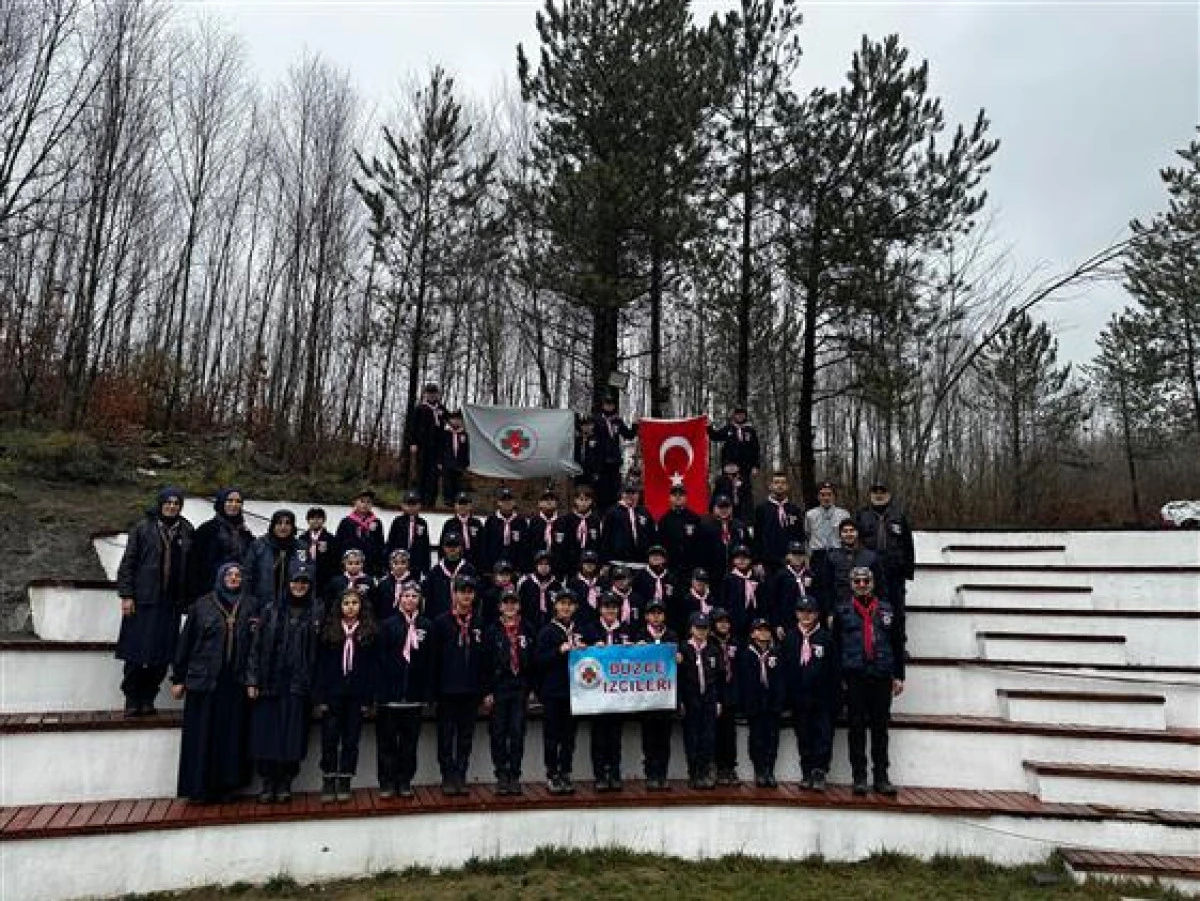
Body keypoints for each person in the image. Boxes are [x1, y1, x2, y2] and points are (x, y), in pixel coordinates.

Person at [171, 562, 254, 803]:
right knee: (202, 733)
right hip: (205, 679)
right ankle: (199, 788)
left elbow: (255, 645)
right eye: (229, 574)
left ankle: (226, 787)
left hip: (235, 680)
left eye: (238, 575)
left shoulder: (250, 605)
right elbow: (186, 642)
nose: (234, 578)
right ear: (221, 577)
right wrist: (178, 678)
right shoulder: (203, 604)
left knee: (229, 735)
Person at [245, 569, 322, 804]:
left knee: (292, 736)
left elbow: (319, 653)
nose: (299, 586)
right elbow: (256, 647)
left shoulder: (315, 612)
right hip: (271, 683)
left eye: (304, 583)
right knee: (266, 735)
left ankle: (286, 782)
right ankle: (268, 783)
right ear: (287, 584)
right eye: (295, 582)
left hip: (298, 685)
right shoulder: (271, 610)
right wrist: (253, 679)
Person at [116, 487, 194, 716]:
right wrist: (127, 595)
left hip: (170, 603)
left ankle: (149, 696)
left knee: (163, 654)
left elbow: (191, 569)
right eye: (168, 502)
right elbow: (128, 563)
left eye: (176, 503)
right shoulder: (142, 528)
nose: (172, 507)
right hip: (143, 600)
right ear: (160, 504)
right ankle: (132, 698)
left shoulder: (187, 531)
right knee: (135, 653)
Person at [836, 567, 904, 796]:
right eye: (858, 581)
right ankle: (859, 776)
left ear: (873, 583)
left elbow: (896, 643)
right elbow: (837, 646)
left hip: (882, 674)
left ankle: (881, 776)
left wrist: (899, 675)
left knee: (880, 728)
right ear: (851, 584)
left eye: (866, 581)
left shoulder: (887, 610)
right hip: (855, 675)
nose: (862, 584)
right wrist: (840, 678)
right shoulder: (842, 610)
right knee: (856, 727)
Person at [313, 588, 379, 803]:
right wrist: (321, 696)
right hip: (333, 693)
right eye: (346, 603)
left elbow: (371, 669)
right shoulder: (330, 630)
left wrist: (368, 698)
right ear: (339, 607)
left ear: (361, 606)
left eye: (354, 603)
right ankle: (329, 777)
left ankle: (345, 779)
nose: (350, 607)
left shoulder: (368, 632)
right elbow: (321, 665)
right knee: (330, 738)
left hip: (356, 695)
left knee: (351, 739)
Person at [376, 584, 434, 799]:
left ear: (419, 599)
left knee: (409, 744)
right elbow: (380, 662)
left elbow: (430, 663)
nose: (410, 600)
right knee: (387, 743)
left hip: (414, 697)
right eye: (406, 596)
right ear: (399, 599)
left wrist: (427, 693)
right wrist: (380, 693)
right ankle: (387, 782)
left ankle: (405, 780)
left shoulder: (426, 626)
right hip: (390, 698)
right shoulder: (387, 625)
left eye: (414, 596)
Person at [431, 575, 484, 795]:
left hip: (471, 690)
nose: (466, 595)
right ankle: (447, 775)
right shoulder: (441, 622)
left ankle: (461, 774)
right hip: (447, 690)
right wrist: (434, 690)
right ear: (454, 593)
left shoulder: (480, 622)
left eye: (470, 591)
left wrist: (483, 689)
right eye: (462, 591)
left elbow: (485, 659)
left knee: (465, 736)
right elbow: (434, 660)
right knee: (446, 735)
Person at [481, 590, 536, 795]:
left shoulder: (528, 629)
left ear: (519, 606)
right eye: (506, 603)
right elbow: (484, 663)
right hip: (499, 688)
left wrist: (532, 689)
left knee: (517, 733)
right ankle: (501, 775)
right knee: (498, 733)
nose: (510, 607)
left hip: (520, 687)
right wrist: (487, 690)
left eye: (514, 603)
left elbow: (534, 662)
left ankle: (515, 775)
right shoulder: (491, 630)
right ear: (500, 607)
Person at [782, 596, 837, 791]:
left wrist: (835, 699)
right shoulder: (790, 638)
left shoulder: (826, 638)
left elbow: (833, 670)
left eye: (810, 612)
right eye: (802, 611)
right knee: (803, 735)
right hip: (799, 698)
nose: (806, 615)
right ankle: (806, 771)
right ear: (796, 613)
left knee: (823, 735)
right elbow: (785, 669)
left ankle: (820, 771)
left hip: (822, 698)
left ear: (817, 614)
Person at [855, 481, 915, 656]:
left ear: (888, 495)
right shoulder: (861, 515)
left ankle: (898, 646)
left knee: (897, 610)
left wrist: (908, 571)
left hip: (894, 572)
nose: (879, 495)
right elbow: (856, 543)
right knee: (869, 609)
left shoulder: (899, 515)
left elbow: (907, 545)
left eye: (882, 491)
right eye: (875, 491)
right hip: (870, 573)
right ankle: (871, 643)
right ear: (870, 494)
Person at [535, 588, 584, 793]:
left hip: (575, 692)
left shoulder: (580, 630)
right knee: (552, 736)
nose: (565, 607)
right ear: (555, 606)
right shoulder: (547, 632)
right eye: (562, 603)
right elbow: (538, 661)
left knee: (569, 737)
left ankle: (566, 772)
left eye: (569, 604)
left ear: (575, 607)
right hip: (553, 693)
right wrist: (559, 651)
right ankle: (552, 774)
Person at [584, 593, 631, 791]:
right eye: (606, 606)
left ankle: (615, 772)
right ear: (600, 609)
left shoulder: (626, 630)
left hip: (618, 694)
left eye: (614, 607)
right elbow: (580, 657)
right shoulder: (590, 630)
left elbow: (636, 658)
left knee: (615, 736)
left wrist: (635, 650)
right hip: (596, 694)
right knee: (599, 736)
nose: (610, 610)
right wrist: (590, 649)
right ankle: (600, 774)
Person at [633, 598, 677, 790]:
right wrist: (637, 650)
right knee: (649, 739)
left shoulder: (672, 636)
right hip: (647, 699)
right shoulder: (640, 635)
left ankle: (663, 774)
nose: (656, 617)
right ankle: (651, 774)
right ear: (646, 616)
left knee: (664, 740)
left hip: (666, 697)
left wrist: (679, 658)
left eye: (659, 613)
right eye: (652, 613)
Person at [737, 617, 786, 788]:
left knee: (772, 738)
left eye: (766, 629)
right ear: (752, 633)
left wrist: (779, 701)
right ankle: (759, 770)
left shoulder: (776, 653)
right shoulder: (746, 654)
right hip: (754, 705)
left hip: (772, 704)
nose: (763, 633)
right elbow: (743, 682)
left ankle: (769, 770)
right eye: (759, 629)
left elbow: (781, 679)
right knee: (756, 738)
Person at [677, 612, 723, 789]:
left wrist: (718, 700)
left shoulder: (713, 649)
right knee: (692, 737)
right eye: (698, 628)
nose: (701, 632)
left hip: (709, 698)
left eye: (704, 628)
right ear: (691, 629)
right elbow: (679, 678)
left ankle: (705, 772)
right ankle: (694, 773)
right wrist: (679, 700)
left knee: (708, 737)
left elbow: (718, 677)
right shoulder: (683, 649)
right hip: (690, 699)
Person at [189, 487, 253, 601]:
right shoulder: (206, 530)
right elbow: (194, 566)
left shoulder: (245, 533)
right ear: (221, 503)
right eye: (229, 500)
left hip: (239, 593)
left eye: (238, 501)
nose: (234, 504)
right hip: (210, 593)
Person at [820, 520, 885, 624]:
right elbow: (826, 587)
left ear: (857, 533)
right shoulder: (831, 557)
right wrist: (830, 612)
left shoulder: (871, 556)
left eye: (852, 530)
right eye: (845, 531)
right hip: (840, 608)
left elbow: (880, 585)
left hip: (867, 609)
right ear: (840, 535)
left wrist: (880, 608)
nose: (849, 534)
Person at [243, 510, 305, 613]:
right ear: (273, 525)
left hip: (291, 608)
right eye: (279, 523)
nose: (283, 527)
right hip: (262, 605)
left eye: (287, 523)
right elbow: (247, 577)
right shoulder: (258, 546)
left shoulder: (301, 548)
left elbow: (308, 575)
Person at [709, 608, 739, 785]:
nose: (723, 624)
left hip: (731, 694)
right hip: (715, 693)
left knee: (730, 733)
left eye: (726, 621)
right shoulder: (710, 643)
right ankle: (718, 767)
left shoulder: (734, 642)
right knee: (716, 733)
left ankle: (730, 767)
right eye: (720, 621)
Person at [592, 394, 637, 512]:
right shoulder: (597, 420)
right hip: (601, 463)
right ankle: (601, 516)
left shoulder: (617, 421)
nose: (609, 406)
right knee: (601, 492)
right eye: (607, 404)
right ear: (603, 405)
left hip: (615, 462)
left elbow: (629, 435)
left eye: (611, 404)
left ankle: (614, 514)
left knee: (615, 491)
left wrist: (635, 424)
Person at [708, 406, 761, 506]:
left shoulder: (750, 431)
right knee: (727, 489)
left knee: (744, 491)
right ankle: (725, 509)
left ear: (745, 416)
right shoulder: (728, 429)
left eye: (742, 414)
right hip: (729, 468)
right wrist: (709, 427)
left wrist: (756, 466)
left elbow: (756, 449)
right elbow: (715, 436)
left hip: (745, 468)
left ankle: (745, 514)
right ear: (734, 416)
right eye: (738, 414)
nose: (740, 416)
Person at [753, 472, 803, 574]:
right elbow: (757, 537)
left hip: (791, 561)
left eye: (783, 483)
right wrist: (757, 561)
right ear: (770, 486)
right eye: (776, 482)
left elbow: (799, 535)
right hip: (768, 562)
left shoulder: (794, 510)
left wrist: (799, 557)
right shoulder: (761, 509)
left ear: (788, 486)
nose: (780, 485)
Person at [699, 494, 750, 593]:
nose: (724, 510)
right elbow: (700, 553)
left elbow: (748, 547)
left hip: (736, 575)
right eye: (720, 507)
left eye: (726, 507)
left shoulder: (739, 526)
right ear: (714, 508)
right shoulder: (705, 527)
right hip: (714, 576)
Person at [409, 382, 448, 506]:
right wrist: (413, 442)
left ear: (438, 394)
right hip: (422, 446)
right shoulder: (420, 409)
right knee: (421, 474)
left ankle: (431, 502)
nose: (432, 396)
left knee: (434, 475)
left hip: (438, 448)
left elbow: (451, 422)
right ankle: (419, 500)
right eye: (429, 393)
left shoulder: (442, 409)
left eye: (434, 393)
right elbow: (413, 427)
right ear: (425, 394)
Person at [423, 533, 478, 620]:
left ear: (460, 547)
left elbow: (476, 598)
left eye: (455, 545)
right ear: (444, 548)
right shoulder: (435, 571)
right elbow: (429, 599)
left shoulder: (469, 570)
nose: (452, 549)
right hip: (439, 618)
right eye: (449, 545)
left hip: (465, 618)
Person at [600, 482, 655, 565]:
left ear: (638, 495)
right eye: (627, 493)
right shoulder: (612, 512)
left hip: (641, 561)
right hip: (618, 561)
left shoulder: (644, 512)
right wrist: (605, 561)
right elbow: (605, 538)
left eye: (633, 493)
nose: (630, 496)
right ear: (622, 494)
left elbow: (652, 535)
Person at [656, 485, 702, 582]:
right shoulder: (664, 520)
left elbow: (700, 545)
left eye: (681, 495)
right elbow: (660, 545)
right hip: (670, 570)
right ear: (669, 498)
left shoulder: (695, 518)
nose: (677, 497)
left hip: (691, 570)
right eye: (674, 495)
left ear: (686, 497)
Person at [769, 541, 815, 637]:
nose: (797, 557)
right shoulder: (780, 576)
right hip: (787, 621)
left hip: (808, 620)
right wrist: (777, 624)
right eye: (794, 554)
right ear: (788, 556)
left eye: (800, 554)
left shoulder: (810, 574)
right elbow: (774, 601)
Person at [335, 490, 386, 578]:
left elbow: (380, 546)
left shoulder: (377, 523)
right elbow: (338, 546)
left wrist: (379, 568)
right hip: (349, 567)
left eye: (368, 502)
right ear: (355, 502)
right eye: (362, 501)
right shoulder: (346, 522)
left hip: (370, 568)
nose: (365, 504)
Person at [804, 481, 850, 576]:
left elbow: (847, 537)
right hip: (817, 555)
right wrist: (807, 558)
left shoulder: (844, 514)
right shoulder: (810, 515)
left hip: (837, 552)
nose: (826, 498)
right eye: (822, 495)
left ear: (834, 496)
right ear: (818, 497)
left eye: (829, 494)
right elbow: (807, 535)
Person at [385, 490, 433, 581]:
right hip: (398, 564)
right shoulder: (397, 522)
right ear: (402, 505)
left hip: (416, 565)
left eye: (414, 504)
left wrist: (426, 568)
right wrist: (387, 565)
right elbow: (390, 543)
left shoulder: (422, 523)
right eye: (409, 504)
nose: (411, 507)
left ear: (419, 505)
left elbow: (425, 546)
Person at [480, 487, 528, 577]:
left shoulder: (521, 521)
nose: (507, 503)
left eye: (509, 500)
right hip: (495, 565)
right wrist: (487, 567)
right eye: (504, 500)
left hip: (515, 566)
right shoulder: (491, 520)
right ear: (499, 502)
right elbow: (485, 545)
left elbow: (525, 546)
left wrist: (522, 568)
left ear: (514, 502)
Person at [721, 544, 764, 639]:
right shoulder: (729, 578)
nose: (742, 561)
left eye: (745, 558)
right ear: (733, 560)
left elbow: (762, 601)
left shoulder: (755, 578)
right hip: (735, 624)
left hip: (753, 623)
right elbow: (724, 602)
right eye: (738, 558)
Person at [524, 490, 568, 576]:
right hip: (537, 567)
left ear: (556, 503)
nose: (549, 502)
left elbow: (567, 545)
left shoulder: (563, 521)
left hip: (558, 567)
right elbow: (528, 545)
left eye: (552, 499)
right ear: (539, 503)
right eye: (545, 500)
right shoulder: (533, 522)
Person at [560, 487, 602, 576]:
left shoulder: (596, 520)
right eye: (581, 499)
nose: (583, 503)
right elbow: (564, 543)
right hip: (572, 562)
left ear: (591, 501)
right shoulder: (567, 519)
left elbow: (599, 542)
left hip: (591, 562)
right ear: (575, 500)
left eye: (587, 500)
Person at [438, 492, 484, 570]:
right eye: (460, 504)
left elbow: (483, 545)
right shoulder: (449, 524)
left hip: (475, 562)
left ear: (470, 506)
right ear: (455, 506)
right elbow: (442, 546)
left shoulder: (477, 523)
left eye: (465, 504)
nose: (462, 506)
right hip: (456, 563)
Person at [373, 549, 419, 624]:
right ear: (390, 564)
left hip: (407, 623)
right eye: (395, 563)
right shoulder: (383, 583)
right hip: (384, 621)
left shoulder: (414, 583)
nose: (399, 566)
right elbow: (377, 605)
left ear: (408, 564)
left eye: (403, 563)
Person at [301, 507, 340, 596]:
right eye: (312, 518)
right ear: (307, 520)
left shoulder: (331, 539)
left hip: (325, 579)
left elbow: (335, 561)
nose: (315, 521)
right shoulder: (302, 539)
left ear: (324, 520)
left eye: (318, 518)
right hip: (306, 577)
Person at [518, 549, 560, 628]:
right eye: (541, 564)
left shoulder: (556, 585)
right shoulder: (526, 583)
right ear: (536, 565)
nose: (544, 567)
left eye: (547, 564)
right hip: (529, 622)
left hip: (551, 622)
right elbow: (520, 604)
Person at [632, 544, 675, 619]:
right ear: (648, 558)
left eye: (659, 555)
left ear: (664, 559)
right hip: (644, 616)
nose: (656, 557)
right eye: (653, 555)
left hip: (665, 616)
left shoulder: (670, 577)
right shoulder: (639, 576)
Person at [439, 409, 471, 506]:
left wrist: (466, 463)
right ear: (450, 421)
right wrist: (440, 462)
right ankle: (448, 501)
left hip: (459, 463)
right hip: (447, 462)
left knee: (458, 483)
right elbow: (440, 448)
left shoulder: (464, 434)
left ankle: (458, 501)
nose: (456, 421)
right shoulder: (445, 433)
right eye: (453, 419)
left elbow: (466, 449)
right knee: (447, 483)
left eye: (458, 419)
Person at [565, 549, 605, 625]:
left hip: (599, 622)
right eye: (586, 562)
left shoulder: (602, 582)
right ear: (581, 563)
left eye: (592, 562)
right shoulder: (573, 582)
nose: (589, 565)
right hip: (578, 621)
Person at [674, 568, 713, 636]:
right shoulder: (685, 599)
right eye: (697, 580)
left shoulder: (712, 599)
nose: (700, 582)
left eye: (703, 580)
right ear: (692, 581)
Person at [480, 559, 519, 625]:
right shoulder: (489, 594)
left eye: (507, 574)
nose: (504, 577)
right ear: (495, 575)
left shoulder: (516, 590)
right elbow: (486, 616)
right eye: (501, 574)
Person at [573, 416, 602, 495]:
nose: (586, 427)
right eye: (584, 425)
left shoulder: (596, 439)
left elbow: (599, 456)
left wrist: (597, 471)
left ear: (592, 426)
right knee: (578, 490)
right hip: (578, 469)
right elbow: (574, 454)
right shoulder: (577, 439)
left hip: (591, 470)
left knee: (591, 491)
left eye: (588, 425)